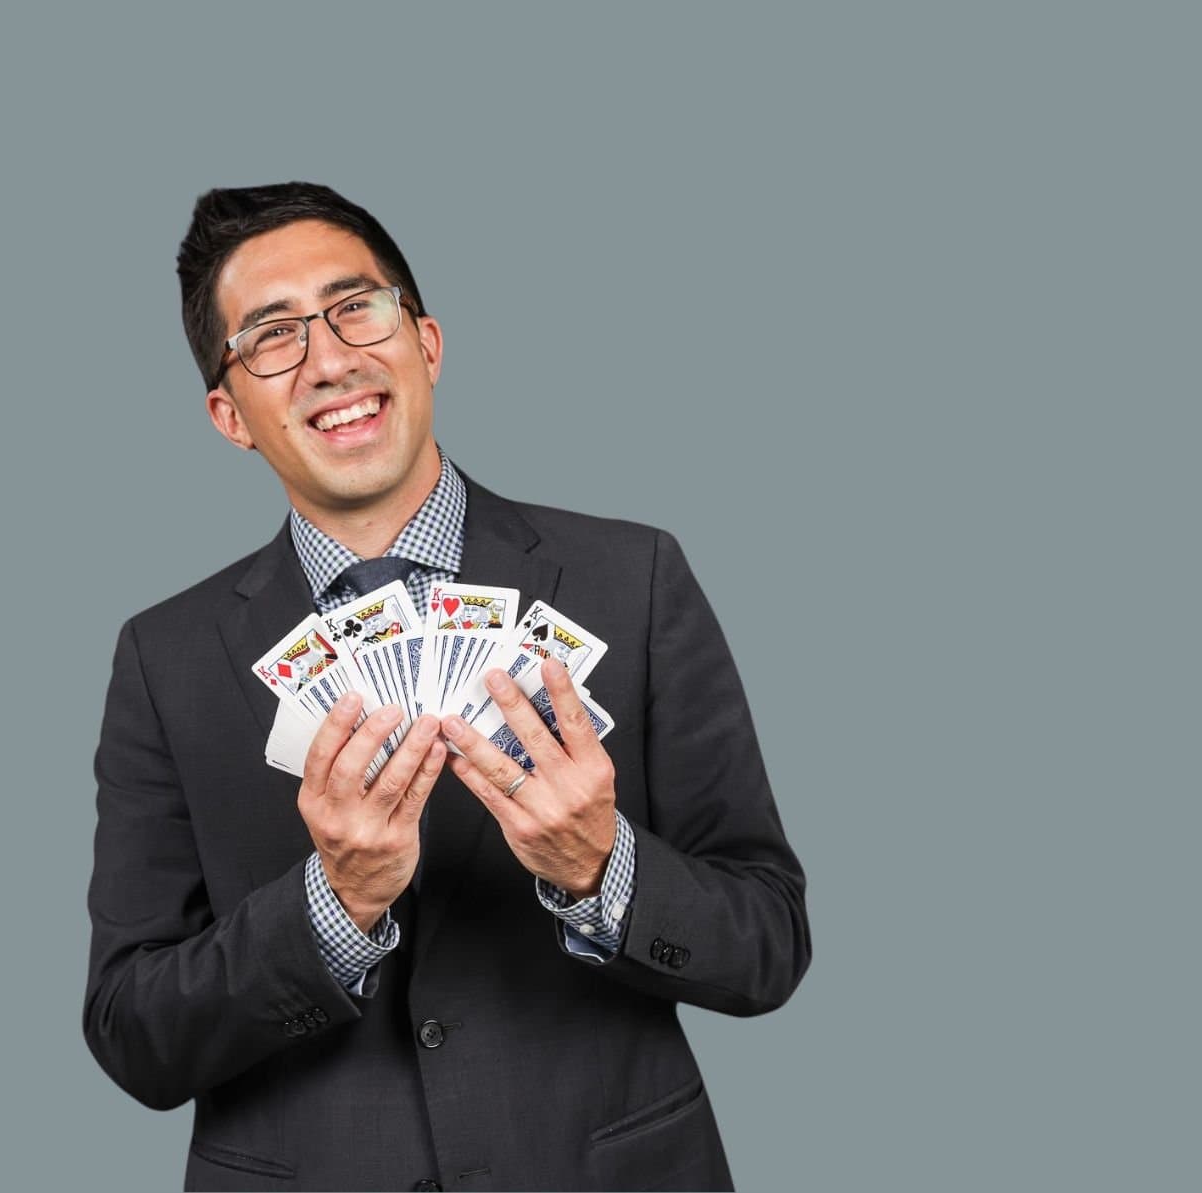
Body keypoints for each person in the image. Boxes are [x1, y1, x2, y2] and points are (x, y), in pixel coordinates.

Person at [84, 182, 810, 1191]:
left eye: (356, 307)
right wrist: (331, 904)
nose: (329, 357)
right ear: (228, 412)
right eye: (272, 337)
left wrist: (603, 867)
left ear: (425, 341)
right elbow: (134, 1033)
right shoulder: (165, 657)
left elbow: (767, 943)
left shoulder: (632, 579)